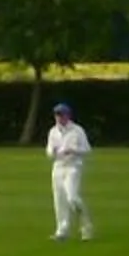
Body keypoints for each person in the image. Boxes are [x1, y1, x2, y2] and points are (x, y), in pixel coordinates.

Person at [48, 101, 95, 241]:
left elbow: (87, 149)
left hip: (73, 167)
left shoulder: (77, 130)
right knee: (59, 200)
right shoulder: (53, 131)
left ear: (68, 116)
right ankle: (62, 230)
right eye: (57, 115)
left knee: (72, 198)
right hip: (58, 167)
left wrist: (73, 150)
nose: (59, 118)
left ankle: (86, 227)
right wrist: (53, 152)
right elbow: (49, 150)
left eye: (61, 115)